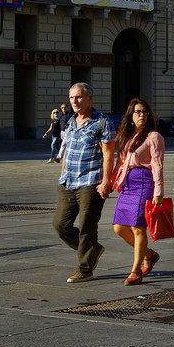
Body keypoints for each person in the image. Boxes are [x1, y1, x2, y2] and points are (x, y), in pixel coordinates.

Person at [53, 82, 117, 283]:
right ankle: (93, 249)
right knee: (60, 225)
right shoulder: (70, 121)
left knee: (88, 226)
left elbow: (108, 155)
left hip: (91, 182)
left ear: (90, 98)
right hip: (68, 181)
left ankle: (85, 269)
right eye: (72, 98)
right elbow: (67, 150)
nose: (74, 101)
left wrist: (107, 181)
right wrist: (62, 174)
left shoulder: (102, 123)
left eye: (79, 97)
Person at [102, 97, 164, 286]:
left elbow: (158, 165)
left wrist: (158, 192)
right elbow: (121, 164)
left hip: (144, 182)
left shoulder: (153, 137)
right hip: (127, 185)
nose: (142, 115)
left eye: (145, 112)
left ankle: (136, 271)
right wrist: (109, 184)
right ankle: (149, 254)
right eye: (137, 112)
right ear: (131, 116)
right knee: (119, 228)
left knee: (138, 228)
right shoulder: (127, 137)